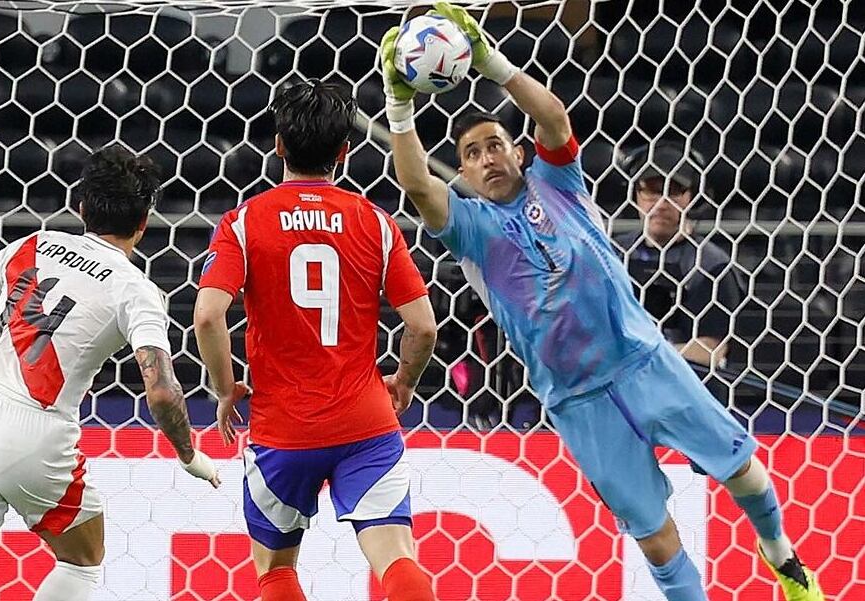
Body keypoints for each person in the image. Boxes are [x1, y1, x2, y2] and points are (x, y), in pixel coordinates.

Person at [379, 4, 822, 601]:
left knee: (744, 472)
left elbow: (556, 119)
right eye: (475, 153)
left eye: (497, 145)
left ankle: (783, 560)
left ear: (516, 152)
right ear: (463, 170)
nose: (488, 157)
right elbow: (414, 186)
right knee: (657, 540)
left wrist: (490, 61)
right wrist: (399, 103)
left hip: (645, 362)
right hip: (577, 401)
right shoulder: (470, 228)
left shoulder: (557, 183)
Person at [0, 146, 220, 601]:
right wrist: (187, 454)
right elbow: (162, 392)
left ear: (82, 207)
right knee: (83, 561)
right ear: (143, 224)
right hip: (35, 432)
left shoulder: (33, 244)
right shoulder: (136, 290)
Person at [193, 79, 438, 601]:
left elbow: (209, 317)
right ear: (344, 152)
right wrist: (405, 383)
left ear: (278, 145)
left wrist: (225, 387)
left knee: (277, 571)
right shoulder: (376, 221)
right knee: (396, 559)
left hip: (283, 430)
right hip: (365, 422)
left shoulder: (243, 223)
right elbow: (423, 326)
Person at [614, 143, 745, 368]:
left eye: (674, 190)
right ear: (634, 193)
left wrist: (641, 351)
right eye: (652, 189)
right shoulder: (613, 255)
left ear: (693, 197)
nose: (662, 203)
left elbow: (710, 350)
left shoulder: (712, 265)